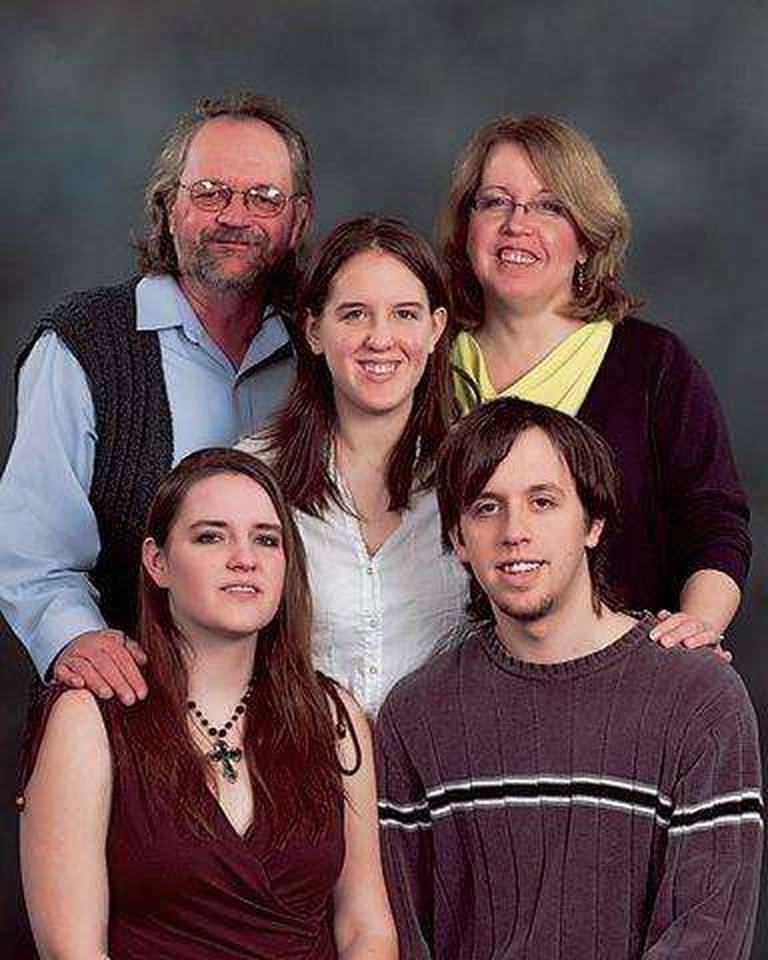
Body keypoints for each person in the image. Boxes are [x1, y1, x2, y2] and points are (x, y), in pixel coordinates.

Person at [376, 397, 763, 960]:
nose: (515, 532)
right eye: (486, 508)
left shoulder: (698, 698)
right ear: (458, 540)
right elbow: (406, 935)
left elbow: (707, 935)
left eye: (543, 502)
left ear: (593, 522)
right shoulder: (417, 715)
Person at [19, 448, 397, 960]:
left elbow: (364, 926)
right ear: (158, 562)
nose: (245, 557)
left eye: (266, 539)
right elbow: (73, 952)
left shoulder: (333, 716)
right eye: (211, 536)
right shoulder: (89, 718)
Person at [0, 92, 312, 704]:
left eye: (263, 198)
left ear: (297, 221)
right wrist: (75, 640)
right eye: (210, 192)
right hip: (131, 704)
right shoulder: (85, 345)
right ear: (169, 206)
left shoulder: (323, 347)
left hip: (287, 712)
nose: (235, 216)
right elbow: (31, 550)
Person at [440, 114, 750, 651]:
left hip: (618, 684)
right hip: (450, 687)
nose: (517, 224)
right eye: (494, 202)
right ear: (468, 227)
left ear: (586, 239)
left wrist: (696, 631)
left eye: (549, 206)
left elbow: (713, 524)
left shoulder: (652, 365)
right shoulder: (420, 362)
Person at [239, 216, 469, 716]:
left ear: (436, 329)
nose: (380, 339)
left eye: (404, 314)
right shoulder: (251, 478)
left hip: (446, 780)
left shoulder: (479, 476)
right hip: (296, 772)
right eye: (354, 315)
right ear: (314, 330)